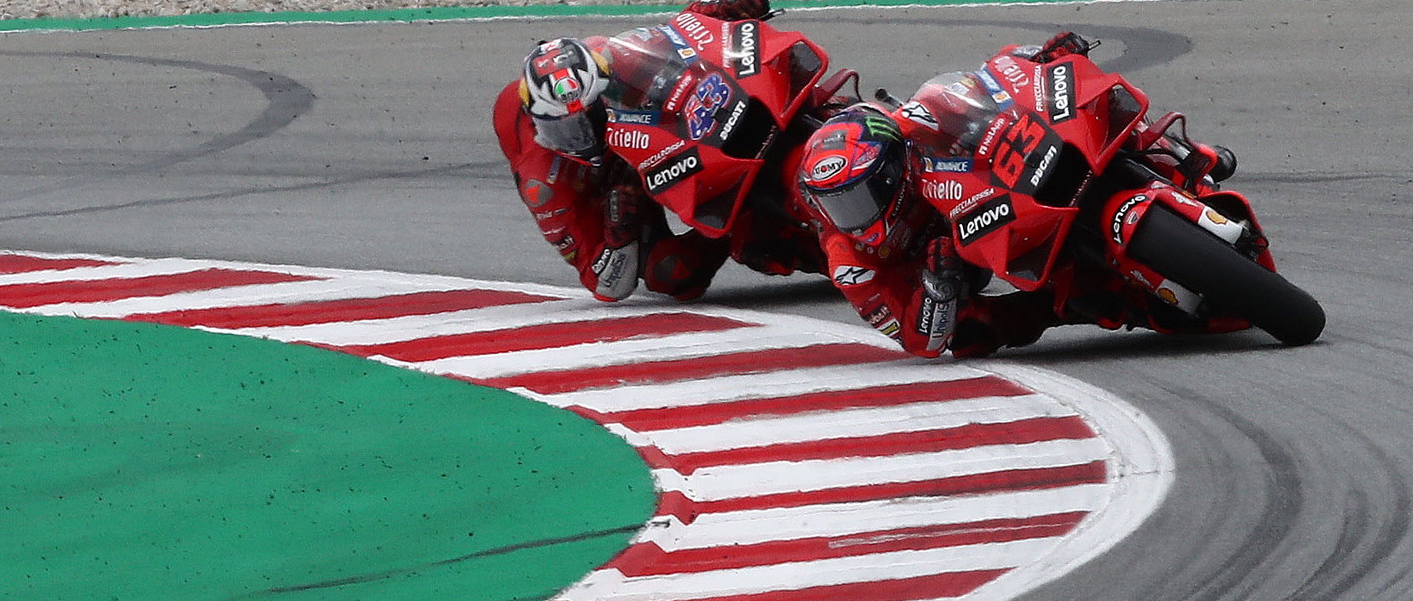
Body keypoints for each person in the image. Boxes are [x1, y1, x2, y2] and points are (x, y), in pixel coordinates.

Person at [794, 32, 1238, 358]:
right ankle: (1093, 301)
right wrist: (937, 291)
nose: (853, 216)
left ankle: (1183, 154)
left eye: (861, 196)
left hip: (999, 192)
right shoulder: (848, 258)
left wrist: (1041, 59)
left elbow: (992, 79)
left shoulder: (912, 127)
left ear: (892, 169)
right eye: (837, 204)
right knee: (972, 336)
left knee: (1083, 113)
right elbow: (917, 341)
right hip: (962, 262)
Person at [492, 0, 770, 304]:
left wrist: (719, 9)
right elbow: (605, 286)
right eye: (566, 130)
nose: (583, 137)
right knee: (669, 273)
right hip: (611, 187)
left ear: (603, 89)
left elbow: (676, 34)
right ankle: (739, 228)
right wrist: (618, 232)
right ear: (539, 124)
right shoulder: (542, 184)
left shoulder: (611, 58)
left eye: (590, 118)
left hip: (636, 131)